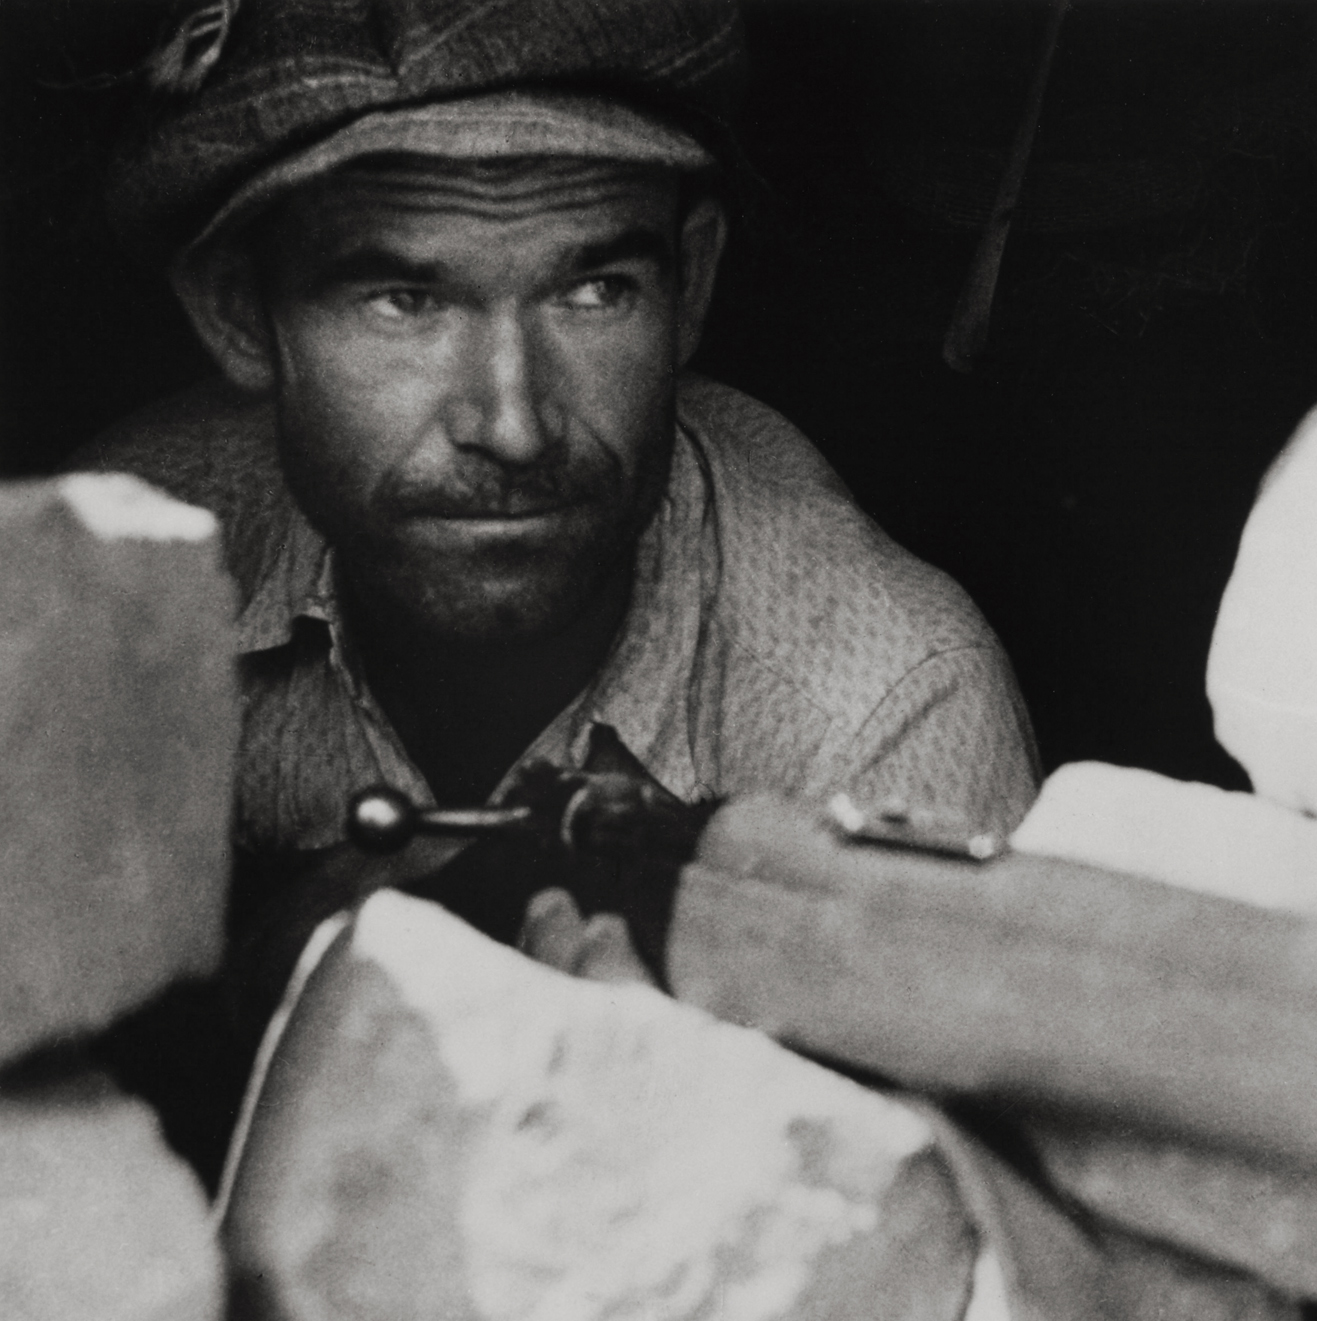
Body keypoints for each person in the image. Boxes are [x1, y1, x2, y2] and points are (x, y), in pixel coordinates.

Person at [75, 0, 1038, 1177]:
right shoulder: (107, 586)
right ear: (241, 312)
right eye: (404, 301)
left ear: (690, 281)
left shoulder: (885, 703)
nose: (513, 424)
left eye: (592, 292)